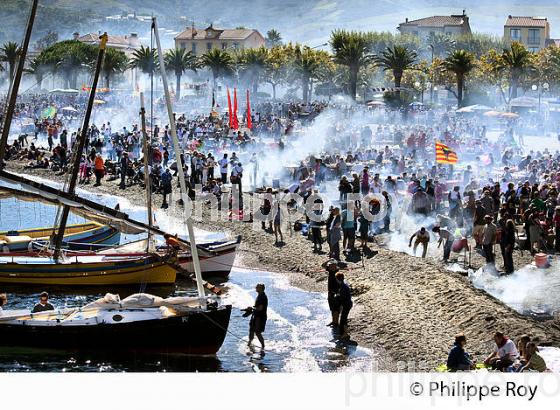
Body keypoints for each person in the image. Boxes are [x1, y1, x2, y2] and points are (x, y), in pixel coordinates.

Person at [247, 283, 268, 350]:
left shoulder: (262, 297)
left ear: (261, 288)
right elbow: (257, 307)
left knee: (257, 332)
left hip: (260, 317)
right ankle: (249, 343)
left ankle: (263, 346)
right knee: (251, 330)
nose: (255, 287)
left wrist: (252, 309)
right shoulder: (259, 295)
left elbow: (260, 308)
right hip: (255, 316)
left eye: (257, 287)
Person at [335, 272, 352, 339]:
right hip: (348, 303)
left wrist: (337, 297)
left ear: (337, 279)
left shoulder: (343, 287)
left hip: (346, 304)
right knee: (343, 319)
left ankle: (345, 334)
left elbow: (342, 297)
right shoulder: (344, 284)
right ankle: (345, 333)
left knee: (343, 320)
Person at [325, 259, 340, 328]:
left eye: (332, 265)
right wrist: (329, 260)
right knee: (332, 308)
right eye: (330, 265)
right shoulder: (330, 271)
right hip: (330, 292)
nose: (330, 266)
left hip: (335, 293)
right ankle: (333, 321)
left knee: (336, 308)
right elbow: (323, 265)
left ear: (335, 266)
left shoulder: (337, 273)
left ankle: (336, 322)